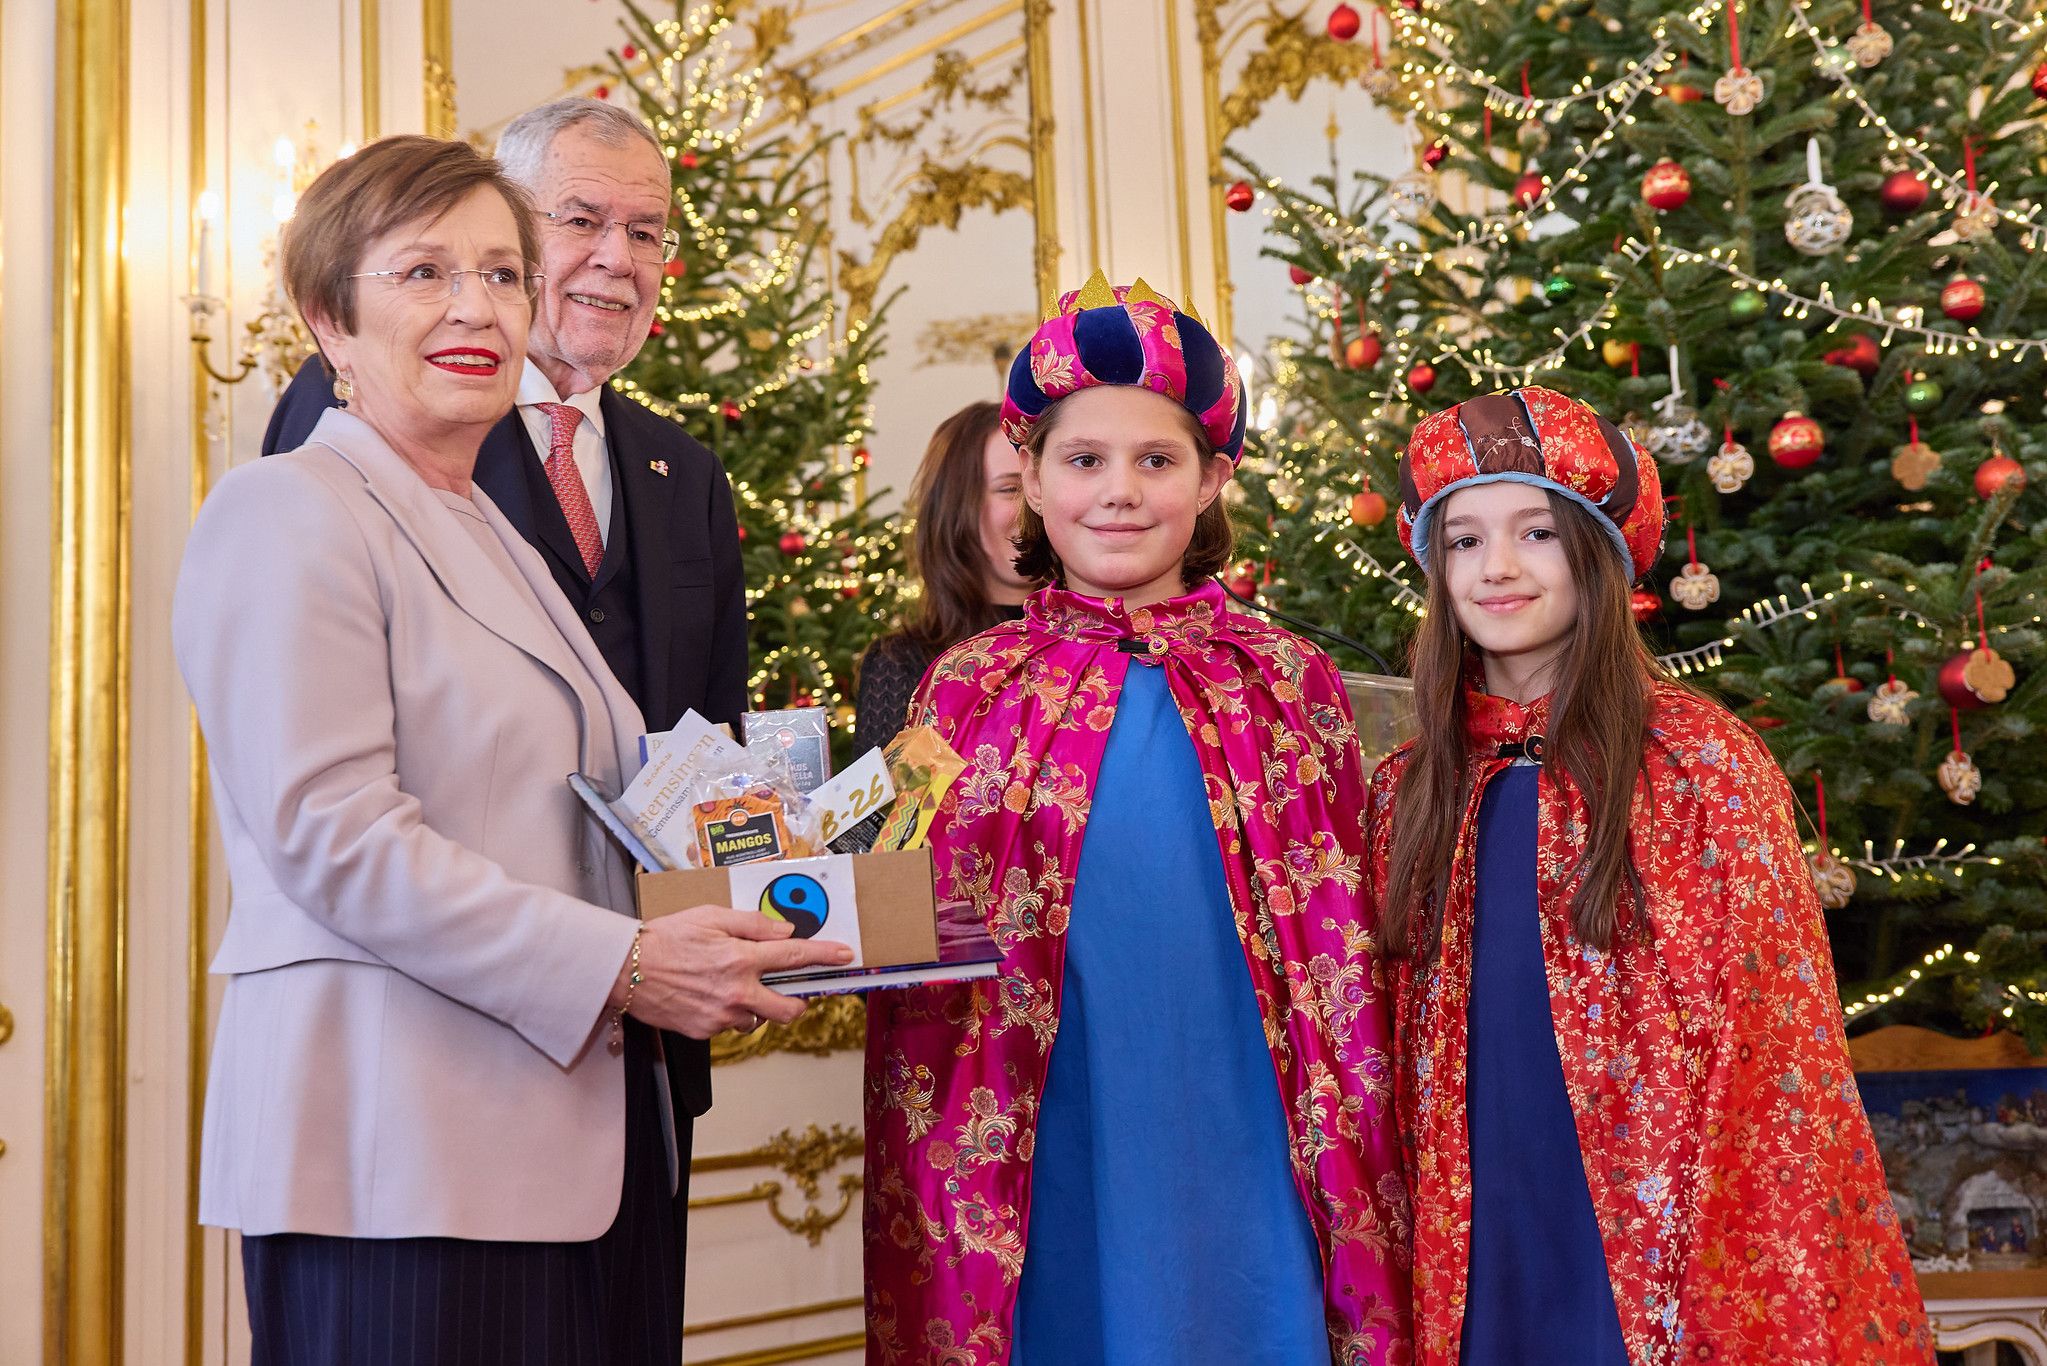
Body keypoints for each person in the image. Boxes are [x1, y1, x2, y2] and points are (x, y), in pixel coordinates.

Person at [174, 135, 850, 1364]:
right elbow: (337, 841)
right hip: (401, 1163)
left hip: (580, 1150)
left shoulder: (478, 521)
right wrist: (630, 966)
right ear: (329, 317)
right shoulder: (287, 510)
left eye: (500, 274)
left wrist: (782, 894)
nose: (476, 307)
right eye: (425, 273)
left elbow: (618, 797)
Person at [862, 274, 1411, 1364]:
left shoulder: (1285, 679)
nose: (1119, 492)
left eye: (1156, 461)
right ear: (1029, 477)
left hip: (1248, 1102)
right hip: (1037, 1108)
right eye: (1084, 460)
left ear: (1213, 479)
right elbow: (902, 907)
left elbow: (1349, 933)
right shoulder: (964, 687)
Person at [1364, 386, 1932, 1364]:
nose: (1495, 567)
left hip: (1650, 1213)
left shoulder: (1698, 762)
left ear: (1599, 552)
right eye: (1463, 540)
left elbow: (1772, 1044)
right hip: (1475, 1202)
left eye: (1536, 533)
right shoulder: (1409, 786)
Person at [261, 94, 744, 1220]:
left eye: (645, 231)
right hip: (436, 1065)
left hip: (645, 1064)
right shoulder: (365, 422)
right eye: (580, 220)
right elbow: (329, 800)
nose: (617, 258)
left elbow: (713, 744)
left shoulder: (685, 472)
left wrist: (776, 905)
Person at [852, 399, 1037, 756]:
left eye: (1040, 487)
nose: (1034, 508)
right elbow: (888, 796)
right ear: (956, 506)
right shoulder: (902, 664)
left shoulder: (1100, 642)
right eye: (1010, 489)